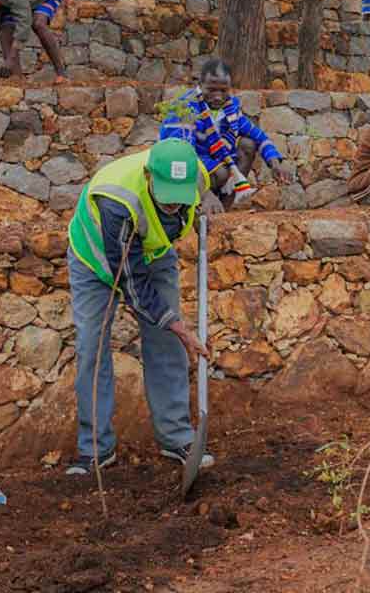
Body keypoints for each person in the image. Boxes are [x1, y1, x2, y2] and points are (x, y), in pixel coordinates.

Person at [65, 138, 212, 476]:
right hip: (96, 260)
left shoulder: (195, 176)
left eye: (181, 200)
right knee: (93, 345)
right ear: (148, 176)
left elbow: (207, 192)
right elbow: (132, 284)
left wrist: (211, 201)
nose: (174, 207)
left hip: (153, 254)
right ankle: (95, 450)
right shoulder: (118, 200)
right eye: (168, 200)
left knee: (166, 343)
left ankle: (176, 437)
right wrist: (178, 324)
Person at [159, 59, 290, 212]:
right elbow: (180, 157)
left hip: (218, 165)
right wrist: (205, 194)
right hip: (187, 171)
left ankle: (224, 209)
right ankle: (200, 203)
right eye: (212, 90)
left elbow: (258, 135)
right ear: (200, 85)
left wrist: (274, 163)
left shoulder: (230, 108)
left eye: (223, 91)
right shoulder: (185, 109)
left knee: (248, 144)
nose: (218, 97)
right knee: (220, 172)